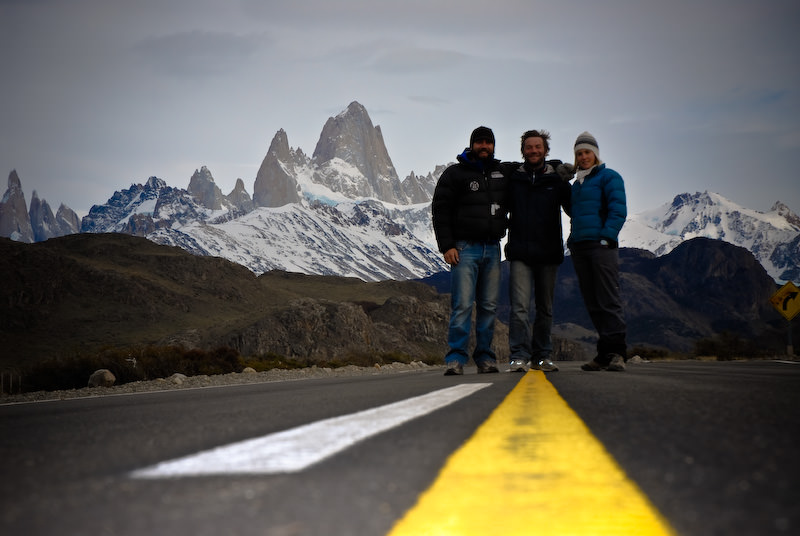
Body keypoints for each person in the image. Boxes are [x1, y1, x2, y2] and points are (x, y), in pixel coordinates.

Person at [432, 126, 509, 375]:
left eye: (489, 142)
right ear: (472, 145)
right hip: (464, 249)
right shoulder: (455, 174)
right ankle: (456, 358)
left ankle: (485, 357)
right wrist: (447, 246)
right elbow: (441, 211)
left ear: (494, 146)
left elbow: (529, 170)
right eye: (480, 142)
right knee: (463, 305)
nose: (484, 146)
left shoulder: (501, 172)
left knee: (488, 306)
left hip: (493, 248)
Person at [505, 130, 572, 373]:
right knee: (520, 307)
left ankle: (542, 356)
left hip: (548, 252)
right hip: (521, 252)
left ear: (545, 150)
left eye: (538, 147)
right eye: (529, 147)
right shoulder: (513, 177)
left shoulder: (557, 180)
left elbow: (573, 207)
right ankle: (519, 356)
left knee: (545, 308)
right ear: (523, 150)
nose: (533, 151)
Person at [567, 131, 628, 371]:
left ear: (596, 154)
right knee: (592, 302)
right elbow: (574, 213)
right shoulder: (577, 185)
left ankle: (617, 353)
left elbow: (618, 210)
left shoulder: (609, 177)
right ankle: (604, 354)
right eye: (579, 153)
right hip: (580, 247)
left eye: (587, 152)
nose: (583, 157)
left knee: (608, 299)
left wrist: (606, 238)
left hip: (601, 246)